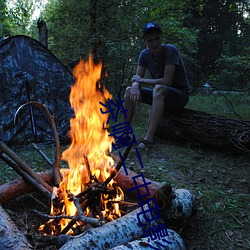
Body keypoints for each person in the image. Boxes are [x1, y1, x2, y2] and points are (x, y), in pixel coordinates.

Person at [124, 21, 191, 148]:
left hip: (179, 95)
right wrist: (134, 85)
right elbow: (136, 79)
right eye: (150, 40)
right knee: (128, 91)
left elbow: (167, 81)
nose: (154, 43)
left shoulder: (171, 50)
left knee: (159, 88)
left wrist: (140, 81)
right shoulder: (144, 54)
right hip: (160, 95)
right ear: (145, 41)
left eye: (157, 39)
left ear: (161, 37)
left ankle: (148, 139)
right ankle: (124, 135)